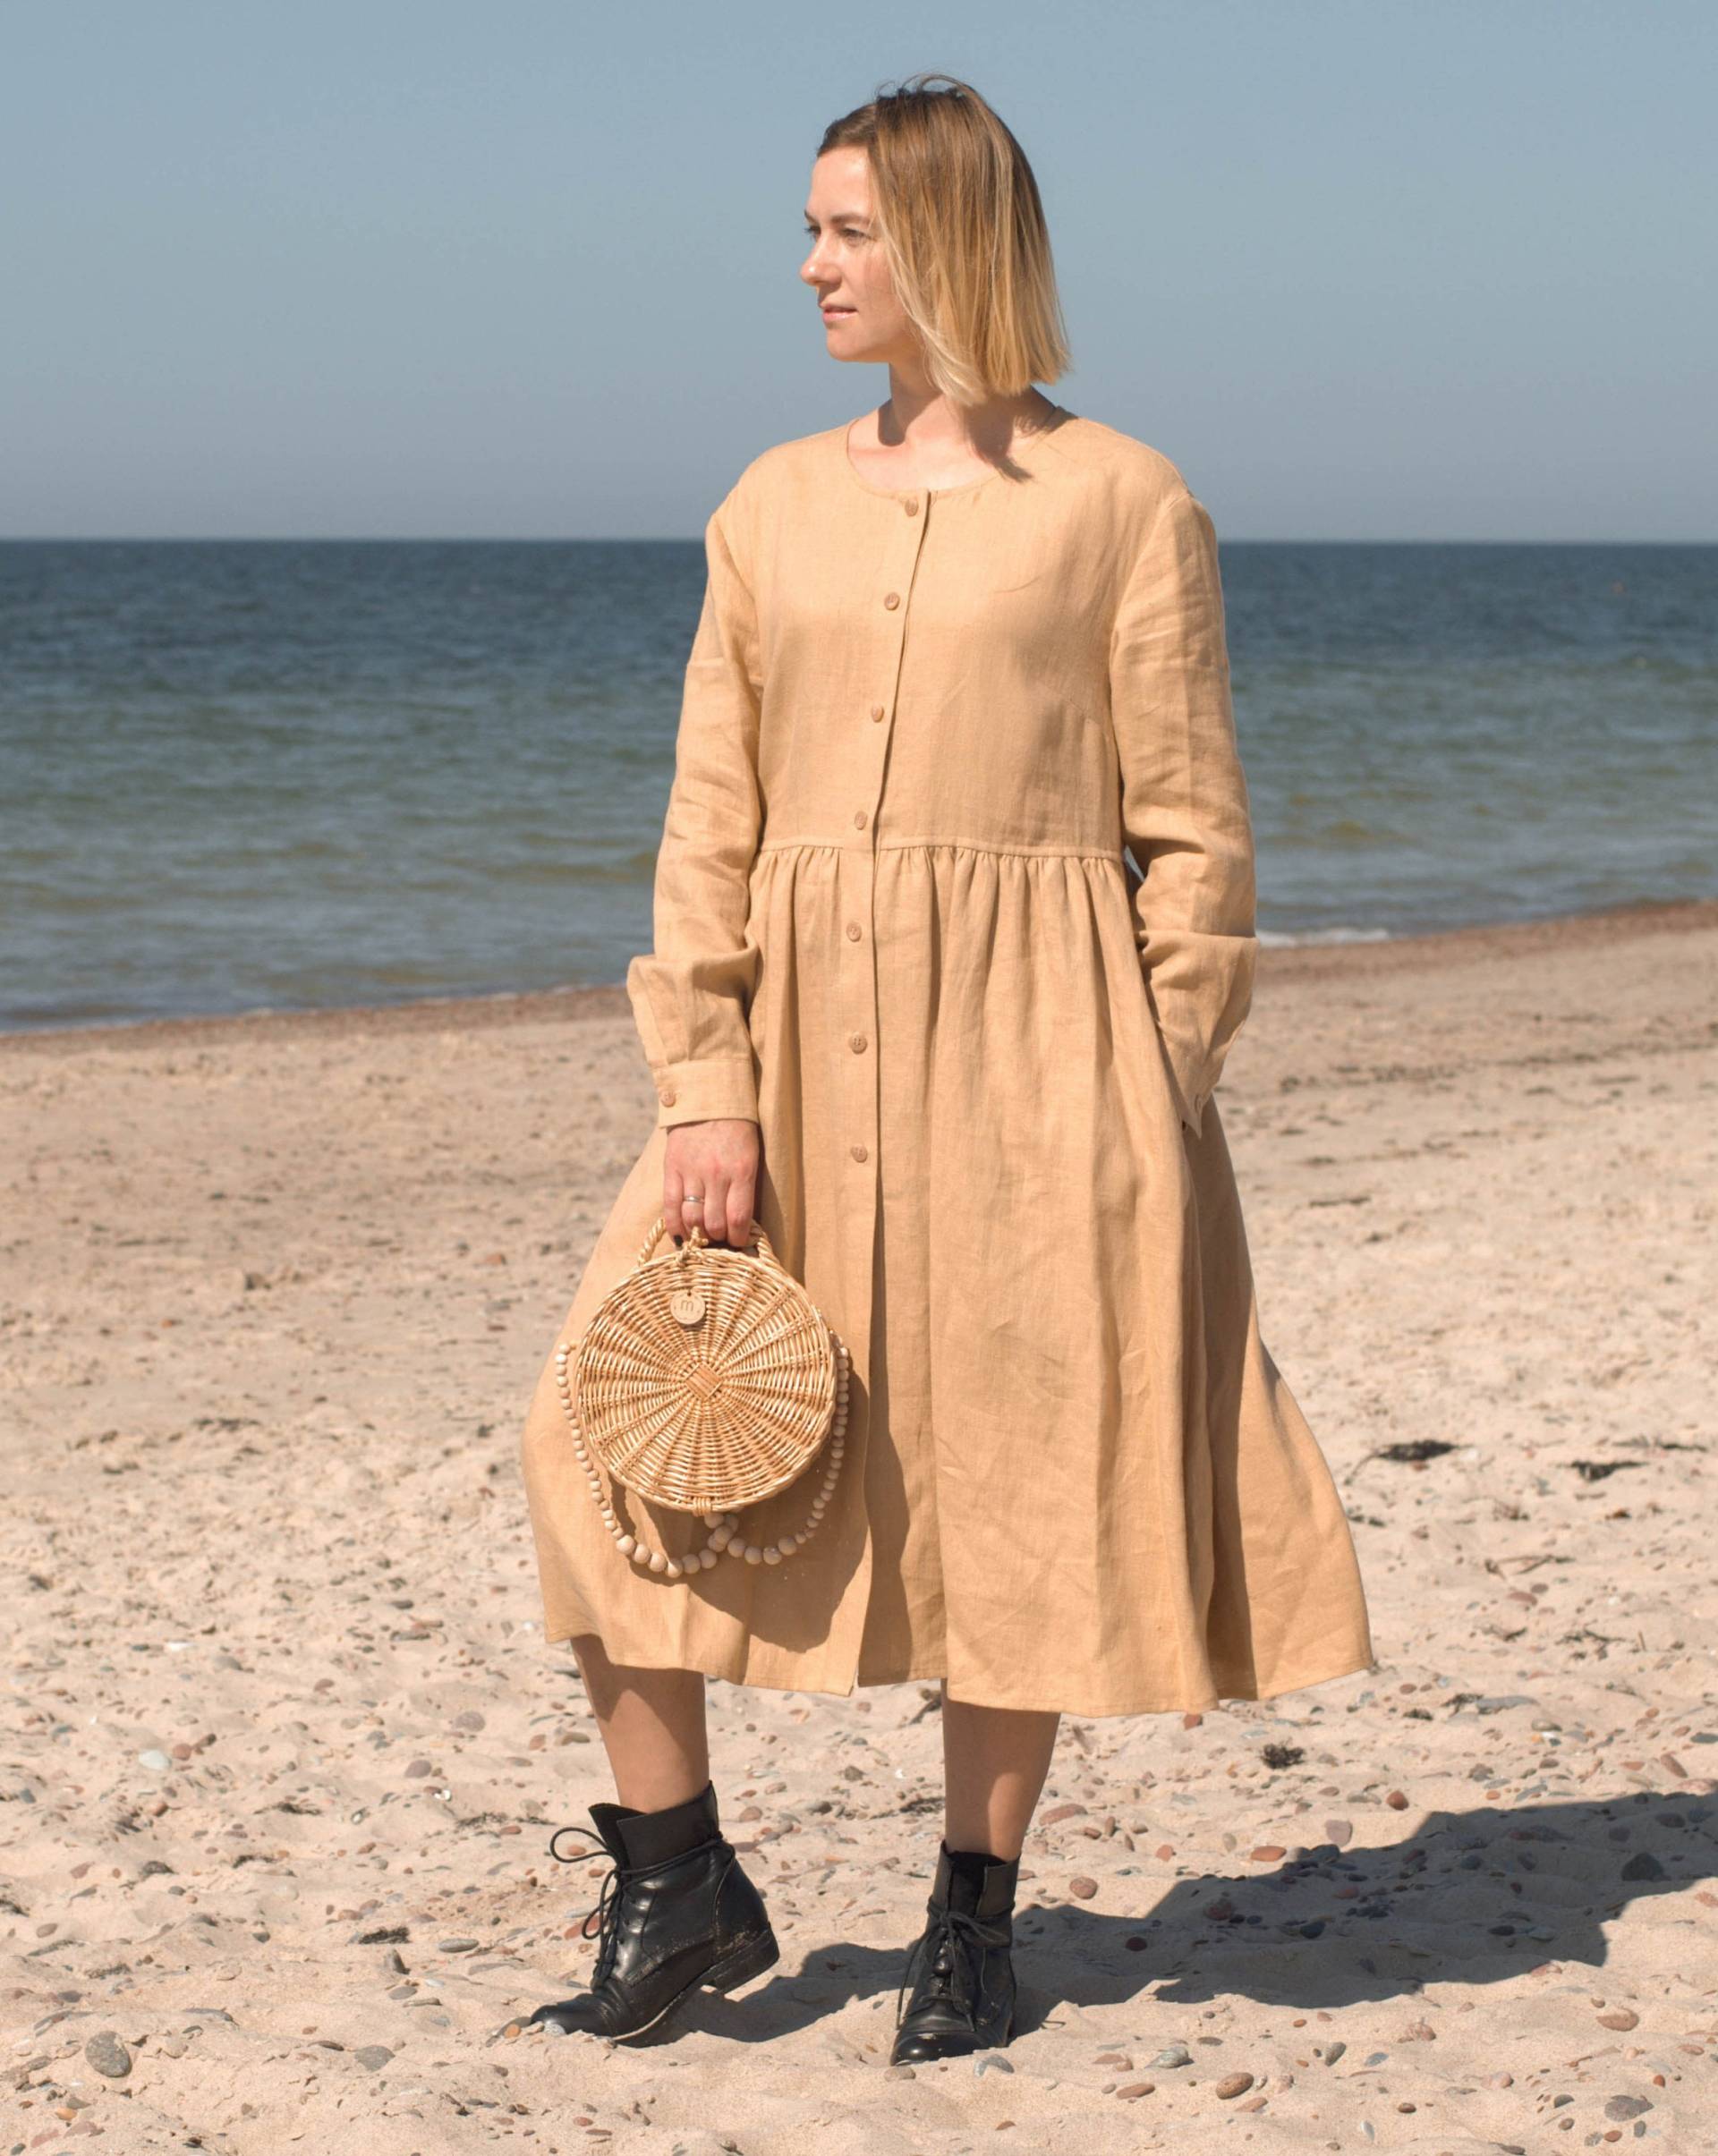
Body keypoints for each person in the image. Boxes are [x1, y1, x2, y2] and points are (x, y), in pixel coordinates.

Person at [516, 71, 1374, 2060]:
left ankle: (972, 1920)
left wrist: (1146, 1081)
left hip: (1045, 1073)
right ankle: (681, 1872)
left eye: (849, 229)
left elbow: (1198, 835)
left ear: (950, 239)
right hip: (789, 1056)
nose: (814, 265)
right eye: (810, 230)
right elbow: (706, 821)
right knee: (594, 1441)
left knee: (1016, 1485)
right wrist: (701, 1080)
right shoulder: (768, 504)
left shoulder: (1125, 503)